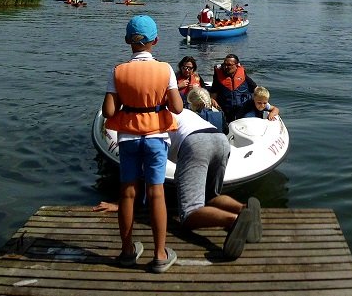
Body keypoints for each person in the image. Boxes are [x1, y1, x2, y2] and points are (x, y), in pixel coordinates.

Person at [93, 108, 263, 260]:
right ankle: (243, 208)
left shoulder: (145, 122)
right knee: (210, 197)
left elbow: (140, 171)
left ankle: (233, 221)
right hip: (220, 140)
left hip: (194, 144)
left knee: (189, 214)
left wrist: (122, 203)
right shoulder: (176, 110)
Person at [102, 14, 183, 273]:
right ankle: (159, 255)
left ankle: (127, 251)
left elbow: (109, 111)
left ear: (128, 41)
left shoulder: (118, 71)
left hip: (128, 138)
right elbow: (177, 108)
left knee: (127, 193)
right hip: (156, 137)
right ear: (155, 40)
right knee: (156, 192)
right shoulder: (165, 69)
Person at [211, 54, 257, 124]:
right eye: (224, 64)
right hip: (226, 110)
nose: (226, 67)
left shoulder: (243, 76)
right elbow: (213, 94)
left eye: (229, 65)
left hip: (244, 109)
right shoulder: (218, 77)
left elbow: (256, 89)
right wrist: (212, 100)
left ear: (236, 66)